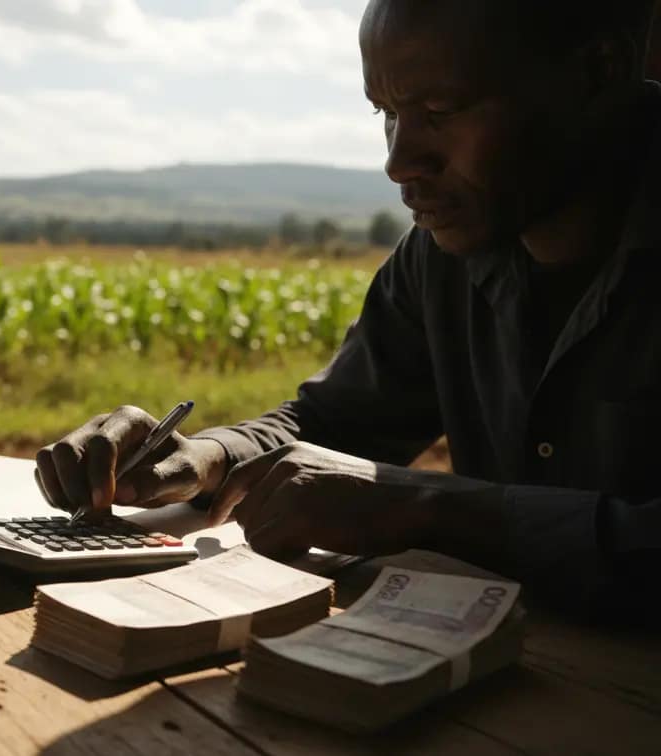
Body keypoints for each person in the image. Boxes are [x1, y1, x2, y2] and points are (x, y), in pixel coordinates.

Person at [35, 0, 661, 618]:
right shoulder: (442, 256)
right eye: (387, 113)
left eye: (439, 111)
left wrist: (424, 506)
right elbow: (336, 424)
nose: (397, 162)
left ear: (598, 72)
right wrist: (206, 457)